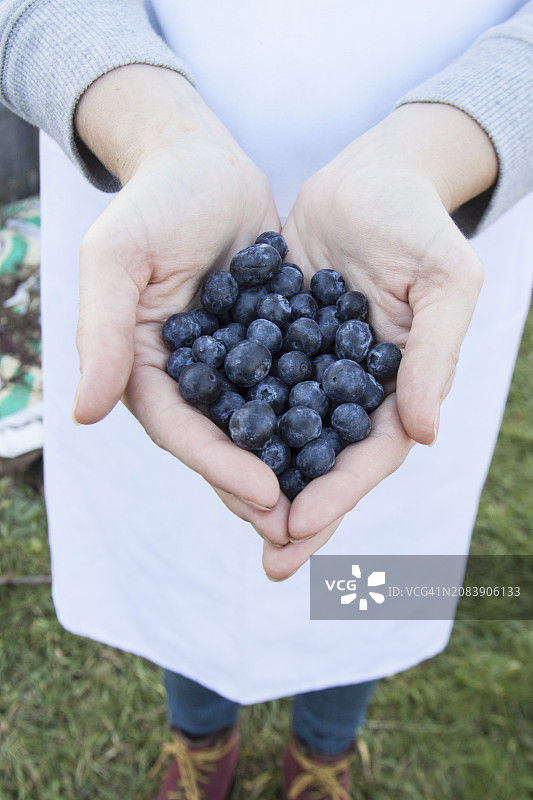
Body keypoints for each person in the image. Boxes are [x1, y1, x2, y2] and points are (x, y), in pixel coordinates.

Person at [1, 1, 532, 797]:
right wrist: (148, 128)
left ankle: (324, 752)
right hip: (151, 208)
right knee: (178, 567)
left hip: (427, 235)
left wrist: (436, 153)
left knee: (371, 580)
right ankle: (201, 737)